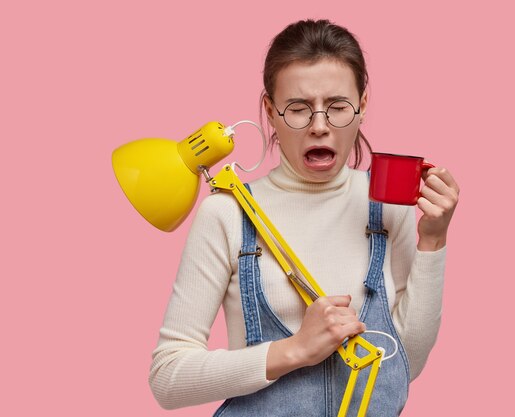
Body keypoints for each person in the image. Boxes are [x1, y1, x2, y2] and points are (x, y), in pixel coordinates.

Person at [149, 19, 459, 416]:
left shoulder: (387, 206)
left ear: (363, 105)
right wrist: (293, 350)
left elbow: (402, 367)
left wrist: (433, 240)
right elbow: (167, 378)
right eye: (298, 109)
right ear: (270, 111)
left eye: (337, 107)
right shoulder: (227, 214)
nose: (318, 126)